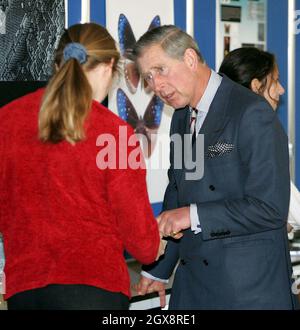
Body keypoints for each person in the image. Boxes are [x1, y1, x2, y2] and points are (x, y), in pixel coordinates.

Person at [132, 25, 299, 309]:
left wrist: (192, 215)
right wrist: (157, 269)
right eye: (148, 76)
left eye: (161, 70)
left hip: (247, 292)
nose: (156, 85)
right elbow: (178, 191)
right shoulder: (182, 117)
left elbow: (270, 209)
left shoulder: (251, 112)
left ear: (189, 59)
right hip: (194, 286)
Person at [0, 23, 162, 310]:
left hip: (26, 290)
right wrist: (156, 240)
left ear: (56, 64)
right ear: (109, 66)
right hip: (95, 290)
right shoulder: (115, 133)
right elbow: (142, 244)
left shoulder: (7, 120)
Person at [219, 47, 300, 237]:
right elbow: (292, 212)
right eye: (276, 80)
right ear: (256, 86)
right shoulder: (261, 132)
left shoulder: (214, 133)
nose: (281, 90)